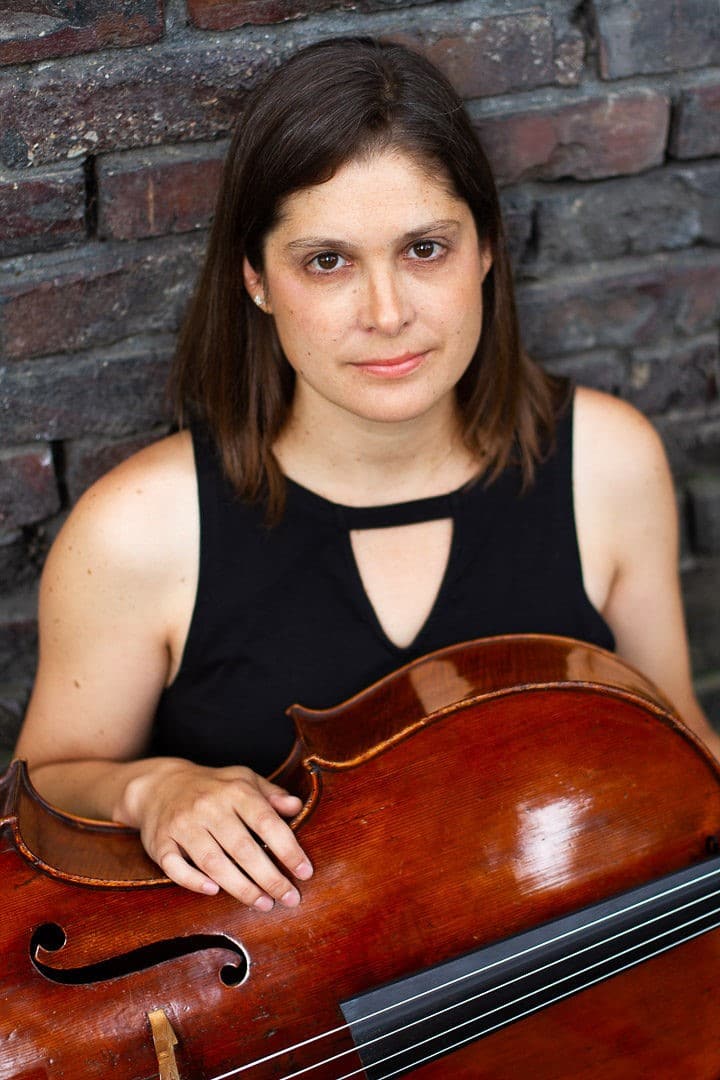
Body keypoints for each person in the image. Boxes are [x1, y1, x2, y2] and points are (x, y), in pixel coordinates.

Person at [14, 37, 719, 916]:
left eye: (425, 249)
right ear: (257, 280)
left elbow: (680, 748)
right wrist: (149, 789)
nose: (387, 314)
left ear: (487, 250)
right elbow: (40, 793)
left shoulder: (608, 464)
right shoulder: (141, 529)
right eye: (328, 261)